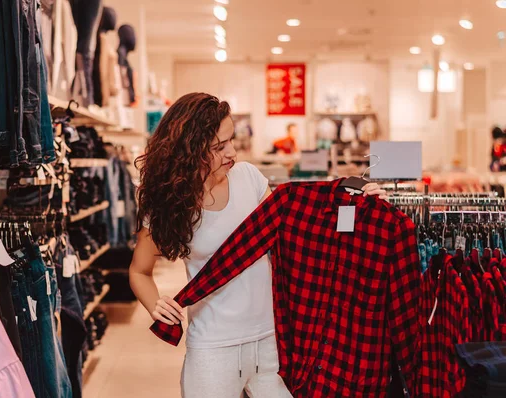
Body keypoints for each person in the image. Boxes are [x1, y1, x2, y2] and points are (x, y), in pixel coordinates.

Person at [129, 92, 388, 398]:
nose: (232, 153)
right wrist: (155, 305)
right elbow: (139, 271)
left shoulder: (249, 179)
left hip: (271, 343)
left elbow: (298, 226)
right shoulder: (171, 205)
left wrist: (358, 204)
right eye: (218, 147)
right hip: (212, 349)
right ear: (190, 150)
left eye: (232, 141)